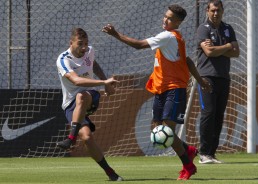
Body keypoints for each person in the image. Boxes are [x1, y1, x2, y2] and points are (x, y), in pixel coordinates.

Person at [102, 4, 211, 180]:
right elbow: (188, 61)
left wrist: (116, 34)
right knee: (158, 128)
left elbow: (138, 45)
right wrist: (200, 80)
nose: (165, 19)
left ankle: (188, 166)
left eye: (169, 18)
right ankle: (188, 150)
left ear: (177, 22)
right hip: (161, 88)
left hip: (174, 88)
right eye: (165, 16)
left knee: (167, 130)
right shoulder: (175, 38)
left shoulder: (168, 36)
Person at [56, 28, 123, 181]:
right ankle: (110, 172)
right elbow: (76, 80)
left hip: (90, 96)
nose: (84, 47)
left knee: (81, 96)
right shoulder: (63, 59)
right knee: (86, 137)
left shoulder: (89, 51)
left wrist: (105, 82)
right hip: (70, 105)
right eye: (80, 44)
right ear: (71, 43)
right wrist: (104, 82)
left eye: (86, 43)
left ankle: (71, 137)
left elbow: (93, 64)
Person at [196, 0, 240, 164]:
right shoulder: (203, 28)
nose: (216, 13)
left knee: (219, 115)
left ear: (223, 11)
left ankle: (212, 153)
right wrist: (228, 46)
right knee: (208, 113)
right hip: (207, 76)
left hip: (224, 76)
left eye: (218, 10)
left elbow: (236, 53)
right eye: (213, 10)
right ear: (207, 11)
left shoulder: (228, 28)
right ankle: (204, 153)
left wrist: (218, 48)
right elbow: (208, 52)